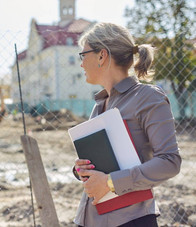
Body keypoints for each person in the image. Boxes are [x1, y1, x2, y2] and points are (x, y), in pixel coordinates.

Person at [73, 22, 181, 227]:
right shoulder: (99, 105)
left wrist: (110, 182)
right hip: (89, 218)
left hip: (131, 220)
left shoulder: (147, 97)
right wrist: (83, 168)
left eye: (83, 55)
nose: (81, 63)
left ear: (102, 56)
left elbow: (169, 162)